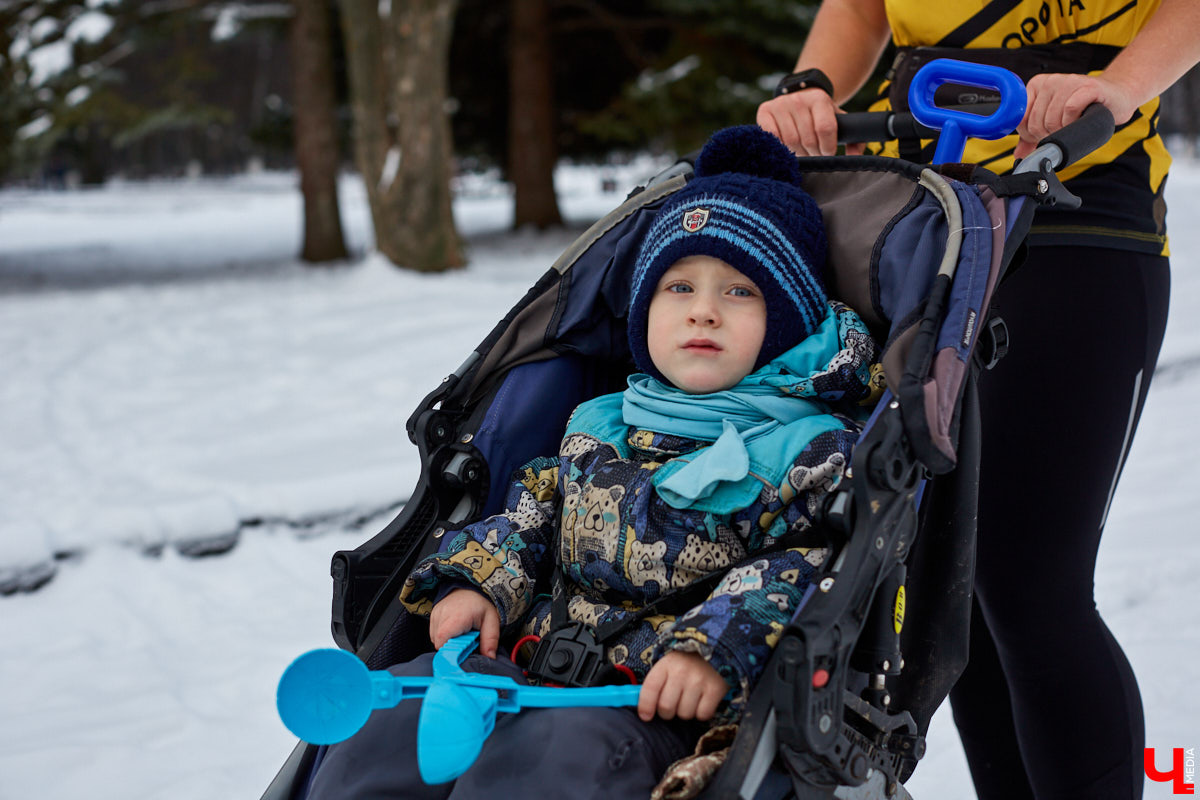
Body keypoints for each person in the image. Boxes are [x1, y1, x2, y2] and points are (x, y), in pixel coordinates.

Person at [303, 125, 882, 799]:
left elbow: (809, 564)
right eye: (678, 288)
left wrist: (712, 650)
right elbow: (529, 516)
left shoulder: (809, 450)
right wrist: (476, 583)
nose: (703, 312)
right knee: (389, 721)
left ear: (787, 322)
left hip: (658, 706)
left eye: (739, 292)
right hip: (526, 665)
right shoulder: (600, 423)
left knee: (550, 764)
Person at [757, 2, 1200, 798]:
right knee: (953, 590)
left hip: (1079, 203)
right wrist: (810, 87)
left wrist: (1117, 86)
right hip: (926, 213)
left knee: (1031, 585)